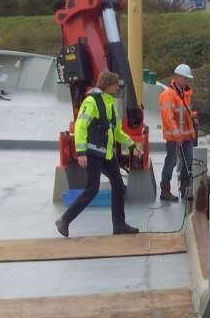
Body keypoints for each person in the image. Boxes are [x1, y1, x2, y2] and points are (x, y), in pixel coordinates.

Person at [55, 71, 142, 237]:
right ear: (108, 85)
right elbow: (80, 126)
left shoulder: (110, 103)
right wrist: (81, 152)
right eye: (116, 85)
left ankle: (119, 225)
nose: (118, 88)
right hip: (94, 153)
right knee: (92, 189)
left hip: (107, 155)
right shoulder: (91, 102)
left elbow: (116, 132)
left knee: (118, 186)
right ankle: (64, 220)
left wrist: (132, 146)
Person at [159, 63, 197, 201]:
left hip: (186, 136)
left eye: (188, 79)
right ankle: (165, 190)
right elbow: (168, 117)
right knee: (171, 161)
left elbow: (183, 113)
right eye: (186, 78)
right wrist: (177, 135)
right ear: (178, 77)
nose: (188, 81)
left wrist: (192, 116)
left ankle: (185, 189)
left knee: (188, 161)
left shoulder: (185, 93)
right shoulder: (168, 95)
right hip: (174, 137)